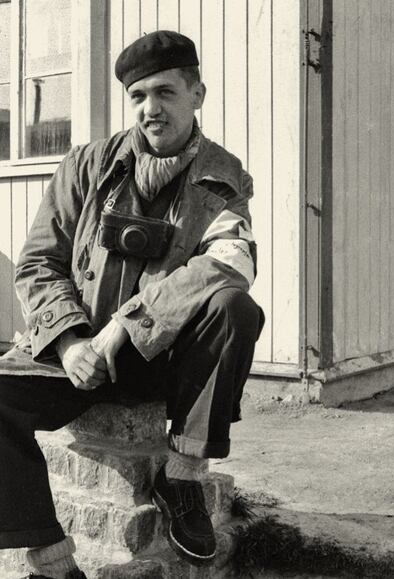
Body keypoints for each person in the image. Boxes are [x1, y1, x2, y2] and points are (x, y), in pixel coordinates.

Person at [0, 30, 264, 579]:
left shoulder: (223, 177)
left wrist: (125, 327)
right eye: (139, 96)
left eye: (166, 93)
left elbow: (230, 261)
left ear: (198, 93)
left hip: (164, 363)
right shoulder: (85, 166)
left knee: (236, 309)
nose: (151, 109)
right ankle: (52, 562)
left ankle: (184, 477)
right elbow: (37, 263)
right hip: (78, 356)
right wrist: (71, 342)